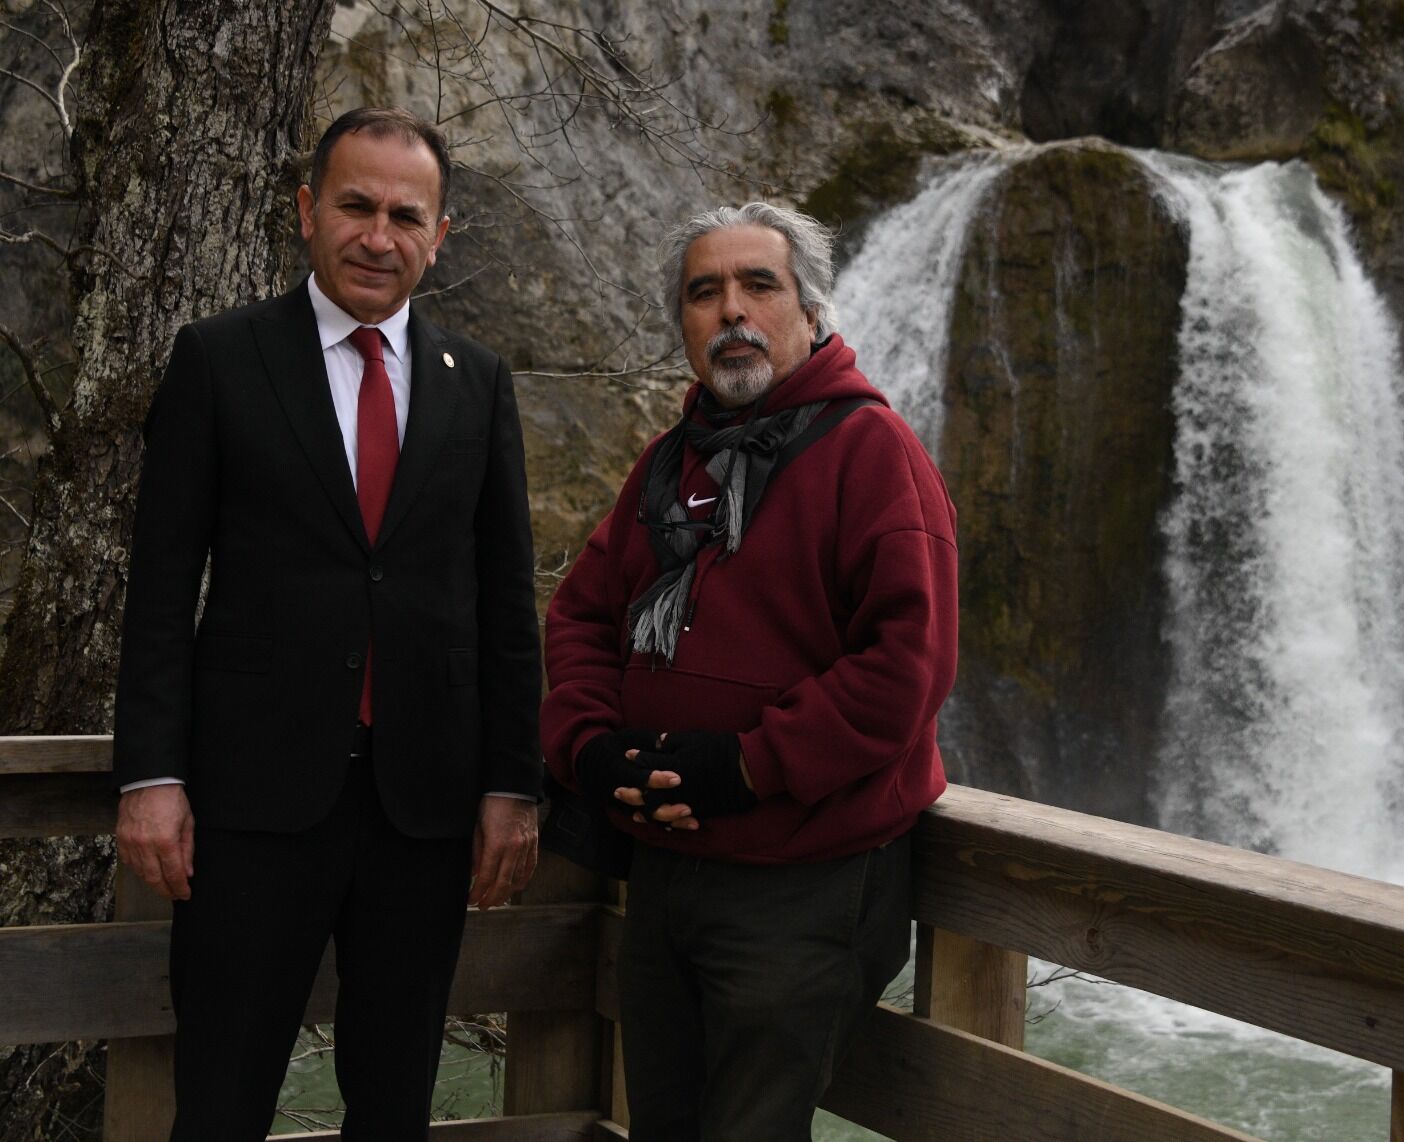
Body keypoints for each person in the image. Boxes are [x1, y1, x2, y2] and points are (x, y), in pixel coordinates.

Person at [112, 106, 542, 1141]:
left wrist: (512, 784)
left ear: (439, 238)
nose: (377, 235)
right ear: (308, 210)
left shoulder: (476, 383)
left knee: (393, 1099)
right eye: (355, 205)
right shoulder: (220, 360)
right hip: (252, 805)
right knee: (222, 1093)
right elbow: (162, 587)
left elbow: (504, 602)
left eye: (406, 215)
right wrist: (149, 776)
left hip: (422, 808)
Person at [541, 202, 959, 1140]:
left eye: (757, 286)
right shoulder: (667, 464)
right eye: (705, 293)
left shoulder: (871, 452)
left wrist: (743, 767)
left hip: (801, 881)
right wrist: (593, 750)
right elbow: (579, 618)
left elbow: (908, 665)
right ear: (684, 327)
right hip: (665, 875)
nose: (731, 311)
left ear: (808, 312)